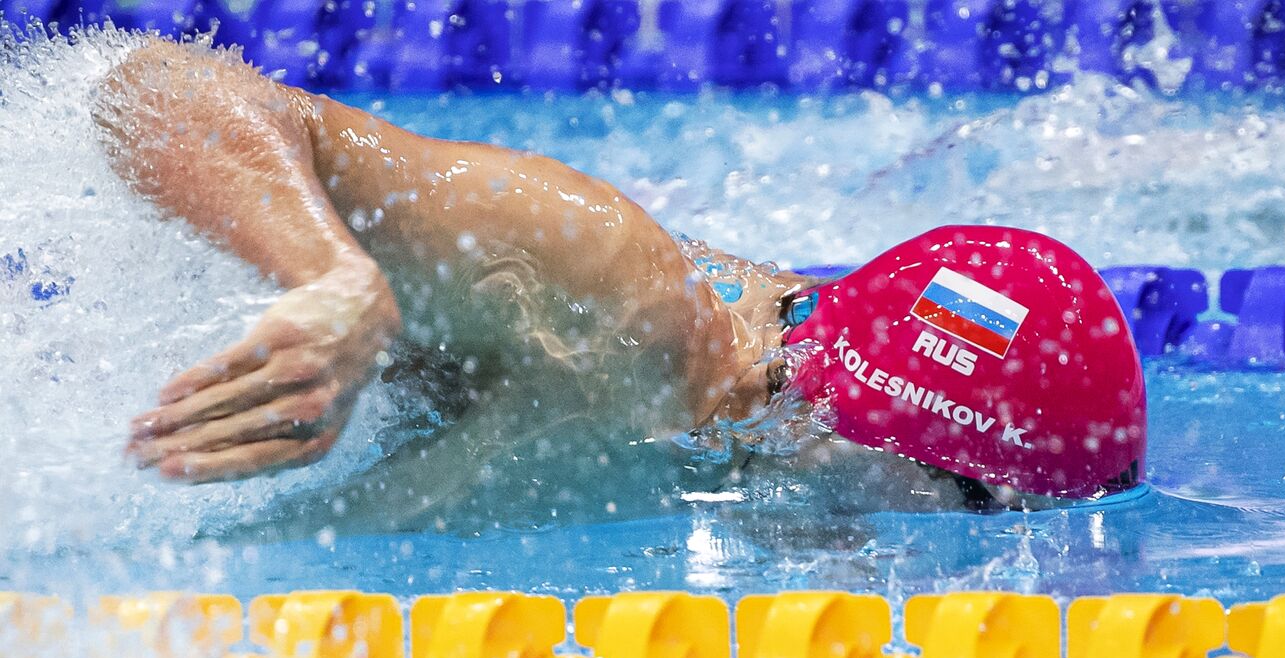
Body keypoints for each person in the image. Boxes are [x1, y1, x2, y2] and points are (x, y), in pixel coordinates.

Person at [100, 38, 1145, 514]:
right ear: (876, 431)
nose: (968, 542)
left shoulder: (764, 429)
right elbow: (147, 89)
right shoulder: (609, 296)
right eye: (972, 506)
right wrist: (328, 276)